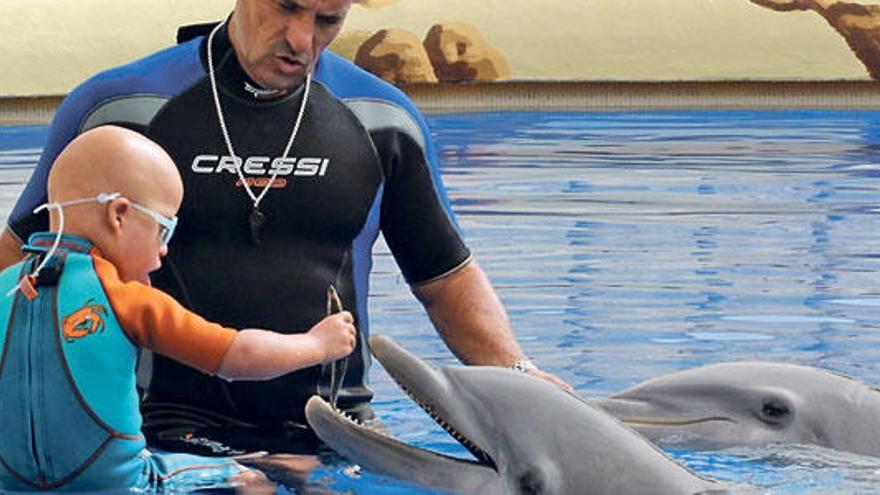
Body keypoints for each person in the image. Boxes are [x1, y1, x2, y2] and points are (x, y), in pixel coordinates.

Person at [0, 0, 570, 455]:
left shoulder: (383, 120)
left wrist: (521, 376)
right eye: (286, 8)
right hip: (162, 434)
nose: (303, 40)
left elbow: (445, 278)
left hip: (339, 434)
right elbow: (25, 263)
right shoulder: (122, 110)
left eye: (328, 20)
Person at [0, 125, 355, 492]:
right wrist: (318, 345)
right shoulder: (126, 299)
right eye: (163, 230)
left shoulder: (4, 286)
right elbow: (239, 357)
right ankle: (260, 466)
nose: (165, 250)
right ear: (118, 215)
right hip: (123, 486)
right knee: (253, 482)